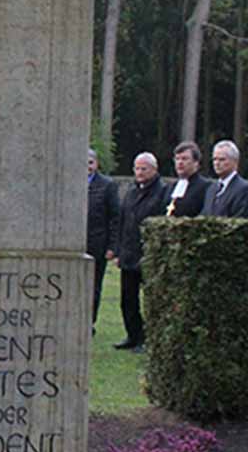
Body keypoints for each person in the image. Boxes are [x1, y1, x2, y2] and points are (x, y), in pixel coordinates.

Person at [115, 152, 168, 353]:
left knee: (150, 300)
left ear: (154, 170)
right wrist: (119, 249)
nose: (139, 172)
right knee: (127, 299)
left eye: (144, 168)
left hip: (147, 254)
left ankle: (148, 340)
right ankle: (133, 335)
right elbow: (122, 220)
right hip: (128, 254)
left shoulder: (162, 192)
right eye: (137, 168)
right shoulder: (131, 191)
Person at [86, 149, 119, 337]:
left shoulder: (107, 186)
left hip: (97, 245)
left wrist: (112, 246)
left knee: (94, 286)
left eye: (90, 162)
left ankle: (89, 322)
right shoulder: (72, 183)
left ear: (96, 164)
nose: (87, 167)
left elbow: (115, 217)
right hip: (75, 244)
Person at [202, 140, 248, 218]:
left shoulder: (243, 189)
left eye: (222, 159)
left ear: (235, 161)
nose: (217, 163)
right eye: (214, 159)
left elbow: (241, 221)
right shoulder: (211, 189)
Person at [166, 142, 210, 217]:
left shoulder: (205, 187)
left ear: (196, 162)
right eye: (177, 159)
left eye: (184, 159)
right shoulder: (171, 187)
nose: (180, 162)